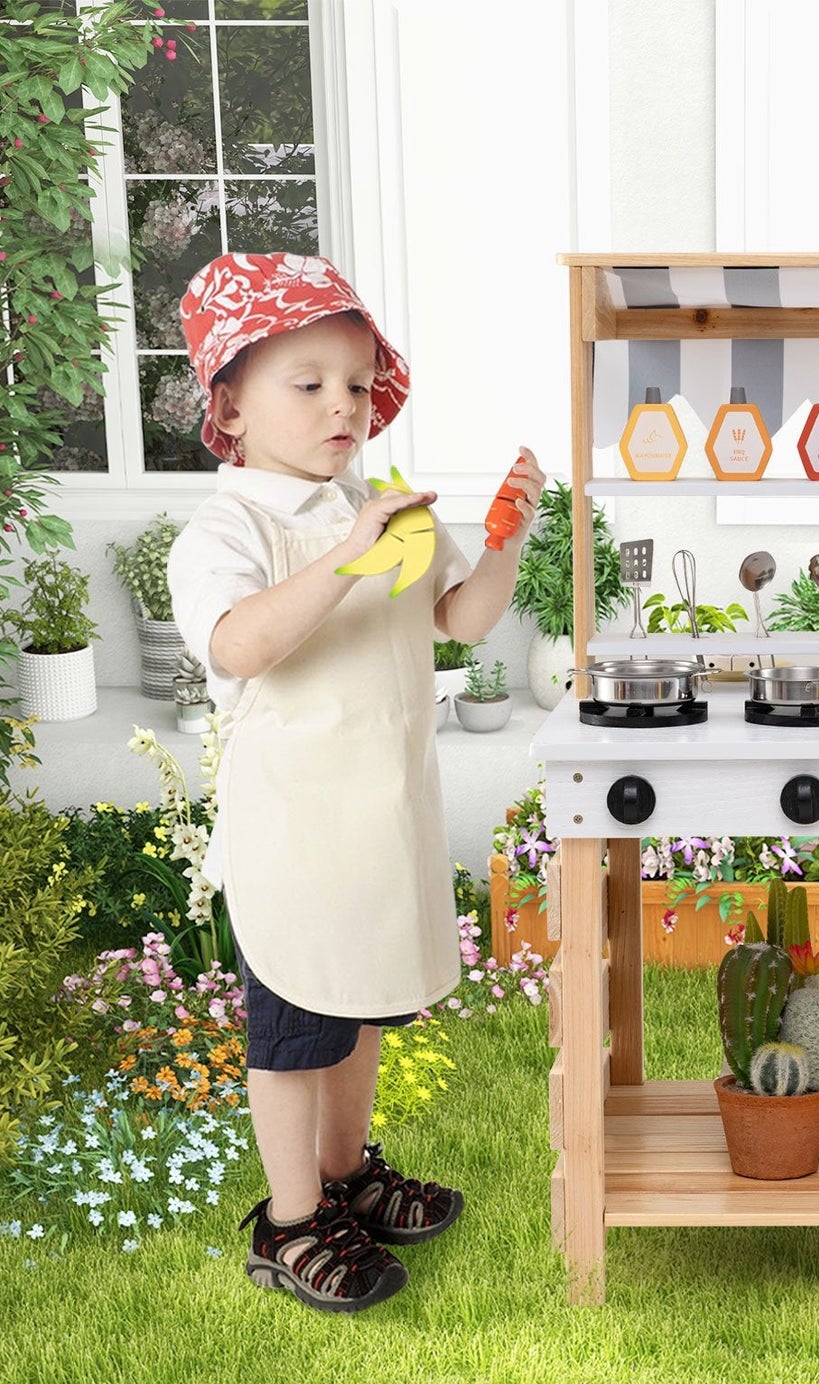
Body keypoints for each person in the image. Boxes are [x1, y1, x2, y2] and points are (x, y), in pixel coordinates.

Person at [169, 253, 545, 1313]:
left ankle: (346, 1177)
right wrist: (345, 551)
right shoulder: (228, 530)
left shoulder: (383, 506)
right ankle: (290, 1220)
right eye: (308, 381)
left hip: (380, 815)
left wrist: (506, 545)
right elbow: (240, 644)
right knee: (295, 1026)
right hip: (292, 827)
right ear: (231, 406)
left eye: (355, 380)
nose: (343, 401)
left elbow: (456, 619)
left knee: (361, 1003)